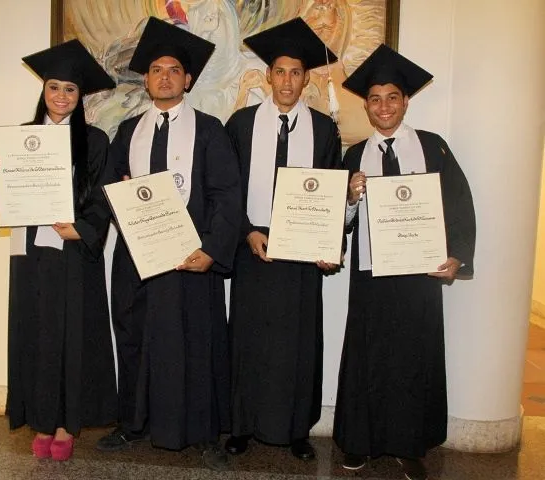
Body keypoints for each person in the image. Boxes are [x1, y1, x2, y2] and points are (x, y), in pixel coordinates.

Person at [95, 17, 241, 471]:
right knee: (136, 339)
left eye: (174, 69)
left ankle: (202, 433)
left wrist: (212, 251)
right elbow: (110, 189)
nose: (164, 76)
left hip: (190, 260)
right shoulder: (128, 131)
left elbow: (226, 195)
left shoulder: (210, 129)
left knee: (196, 343)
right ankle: (132, 423)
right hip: (139, 260)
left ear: (188, 79)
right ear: (146, 78)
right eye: (156, 69)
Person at [333, 44, 476, 480]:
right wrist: (352, 198)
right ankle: (360, 442)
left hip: (418, 275)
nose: (384, 106)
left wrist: (457, 256)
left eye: (392, 97)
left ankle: (408, 445)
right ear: (367, 105)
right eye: (375, 99)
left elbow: (460, 205)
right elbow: (341, 222)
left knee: (413, 358)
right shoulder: (355, 155)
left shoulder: (433, 148)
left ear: (405, 101)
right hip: (372, 274)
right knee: (367, 355)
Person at [0, 40, 117, 461]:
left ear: (80, 97)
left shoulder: (95, 142)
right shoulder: (22, 139)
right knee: (37, 335)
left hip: (72, 254)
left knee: (71, 338)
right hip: (32, 256)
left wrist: (82, 228)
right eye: (54, 87)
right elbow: (8, 203)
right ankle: (41, 419)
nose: (61, 96)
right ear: (44, 90)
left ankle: (65, 424)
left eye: (70, 90)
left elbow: (102, 197)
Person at [224, 18, 342, 460]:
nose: (287, 80)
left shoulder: (325, 131)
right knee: (248, 340)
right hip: (255, 247)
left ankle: (296, 430)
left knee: (299, 343)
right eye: (280, 71)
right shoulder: (240, 125)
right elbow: (227, 190)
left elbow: (331, 194)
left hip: (302, 253)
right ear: (268, 76)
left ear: (306, 78)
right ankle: (241, 426)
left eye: (296, 72)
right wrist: (247, 232)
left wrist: (330, 247)